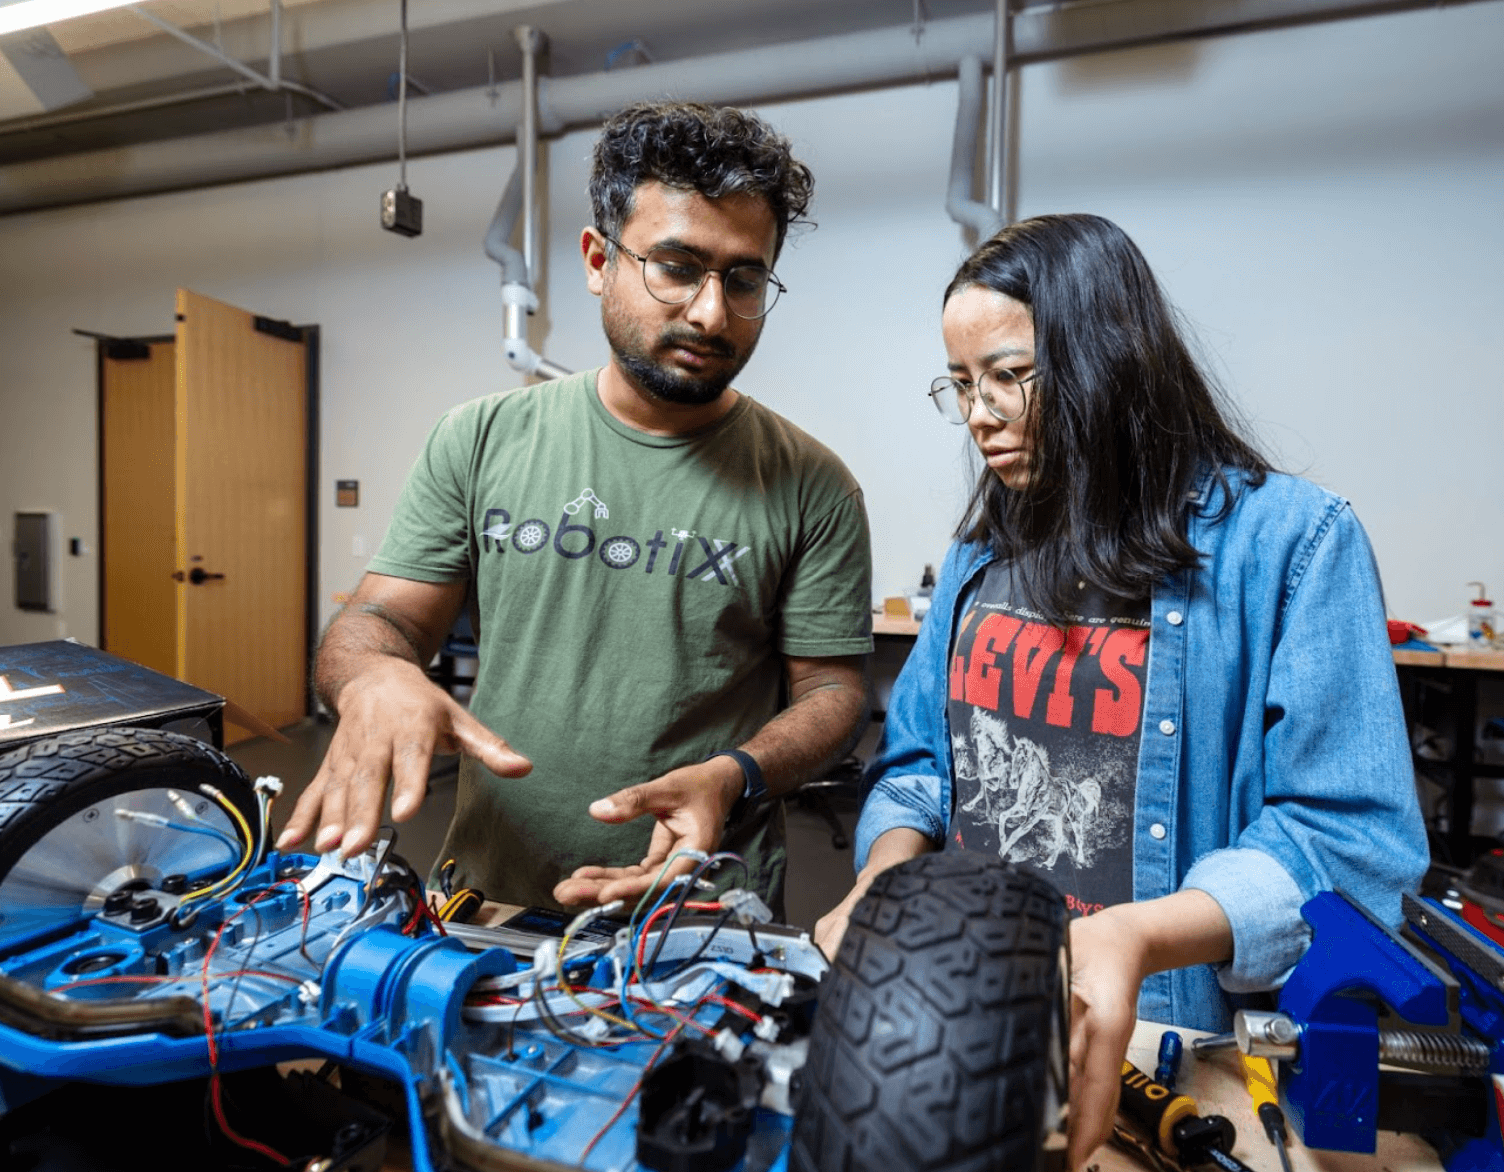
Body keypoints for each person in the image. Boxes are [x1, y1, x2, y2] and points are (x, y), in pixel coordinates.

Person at [812, 214, 1427, 1167]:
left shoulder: (1292, 544)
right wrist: (882, 882)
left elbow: (1347, 840)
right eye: (962, 385)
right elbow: (927, 765)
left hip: (1173, 1048)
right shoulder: (984, 552)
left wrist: (1133, 940)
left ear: (1107, 356)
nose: (979, 413)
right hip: (983, 1020)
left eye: (1010, 376)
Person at [277, 101, 873, 916]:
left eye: (743, 279)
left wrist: (734, 775)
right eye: (676, 265)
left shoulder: (812, 484)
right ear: (599, 260)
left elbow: (832, 694)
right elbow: (379, 622)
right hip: (492, 897)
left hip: (699, 909)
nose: (710, 311)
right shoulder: (481, 437)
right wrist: (374, 677)